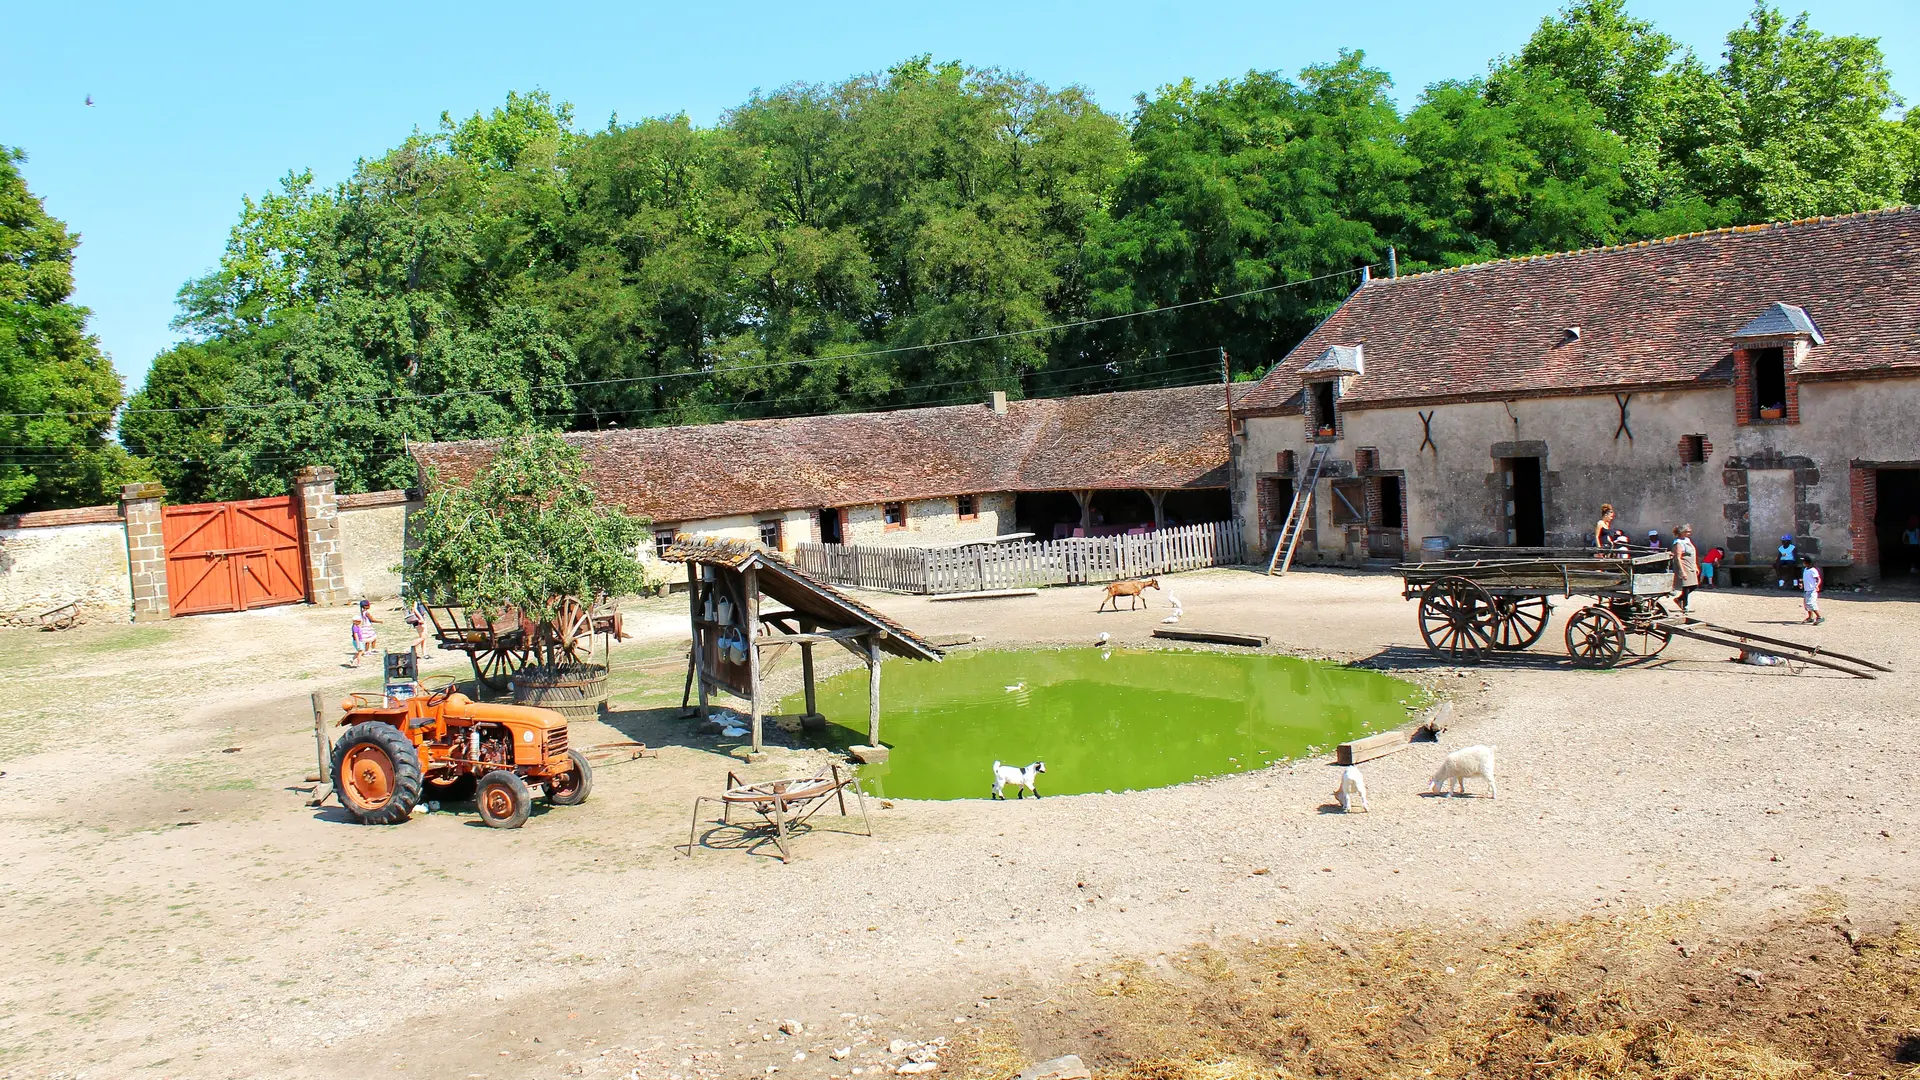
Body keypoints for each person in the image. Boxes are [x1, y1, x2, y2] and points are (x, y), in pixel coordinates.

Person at [1671, 524, 1699, 612]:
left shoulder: (1687, 540)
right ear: (1681, 532)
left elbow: (1693, 554)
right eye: (1687, 531)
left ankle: (1679, 599)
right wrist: (1682, 571)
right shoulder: (1678, 543)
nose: (1689, 533)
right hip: (1684, 565)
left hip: (1691, 565)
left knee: (1694, 585)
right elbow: (1678, 557)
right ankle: (1685, 605)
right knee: (1686, 586)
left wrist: (1695, 566)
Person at [349, 600, 380, 667]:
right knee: (370, 639)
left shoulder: (361, 613)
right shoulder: (366, 613)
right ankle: (359, 662)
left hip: (364, 629)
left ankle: (355, 657)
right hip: (366, 628)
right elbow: (371, 619)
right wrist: (380, 621)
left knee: (369, 640)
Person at [1800, 555, 1823, 625]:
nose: (1803, 563)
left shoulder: (1813, 570)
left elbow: (1818, 579)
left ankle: (1819, 617)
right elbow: (1806, 579)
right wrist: (1802, 584)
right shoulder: (1805, 569)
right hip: (1807, 590)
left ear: (1807, 563)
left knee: (1811, 604)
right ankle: (1810, 617)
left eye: (1804, 561)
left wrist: (1817, 586)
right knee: (1806, 605)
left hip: (1812, 590)